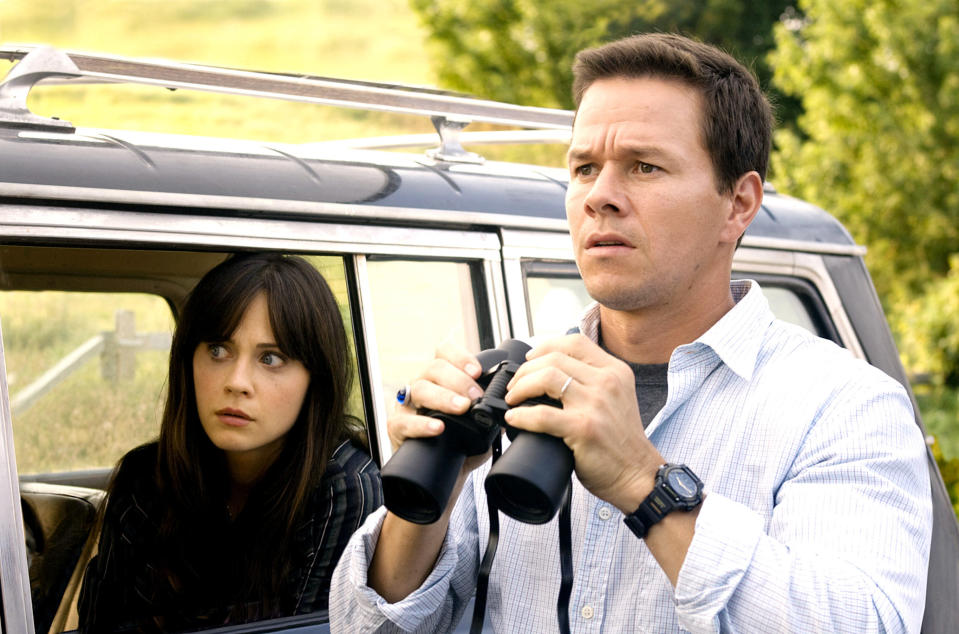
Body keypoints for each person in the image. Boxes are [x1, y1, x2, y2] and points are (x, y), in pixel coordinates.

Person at [328, 33, 933, 633]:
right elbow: (362, 629)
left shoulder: (846, 405)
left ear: (739, 204)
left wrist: (644, 484)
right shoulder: (513, 387)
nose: (600, 197)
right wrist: (433, 489)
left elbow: (865, 622)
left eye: (644, 167)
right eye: (584, 167)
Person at [77, 253, 383, 631]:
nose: (237, 381)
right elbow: (99, 623)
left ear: (315, 379)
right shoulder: (147, 476)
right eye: (218, 350)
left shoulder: (343, 487)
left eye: (270, 358)